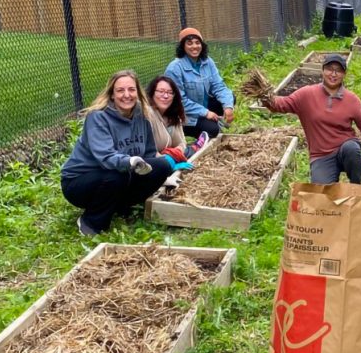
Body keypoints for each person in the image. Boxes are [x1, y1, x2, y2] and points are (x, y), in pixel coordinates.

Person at [60, 70, 192, 236]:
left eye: (131, 89)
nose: (126, 95)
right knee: (117, 174)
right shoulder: (98, 117)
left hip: (121, 173)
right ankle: (91, 222)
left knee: (163, 165)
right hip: (79, 182)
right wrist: (131, 162)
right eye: (120, 90)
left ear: (138, 92)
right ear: (112, 95)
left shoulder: (141, 115)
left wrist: (164, 178)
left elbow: (150, 152)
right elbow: (106, 157)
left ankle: (120, 207)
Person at [259, 54, 361, 183]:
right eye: (329, 69)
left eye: (338, 70)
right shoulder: (306, 95)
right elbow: (280, 104)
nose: (333, 74)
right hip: (321, 155)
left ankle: (355, 187)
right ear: (322, 70)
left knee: (352, 149)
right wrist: (265, 95)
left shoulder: (351, 100)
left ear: (344, 74)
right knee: (321, 193)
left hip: (345, 148)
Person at [165, 27, 235, 140]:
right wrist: (205, 113)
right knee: (213, 130)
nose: (194, 46)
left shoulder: (207, 62)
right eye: (189, 43)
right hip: (184, 116)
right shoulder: (174, 68)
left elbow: (219, 86)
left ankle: (212, 122)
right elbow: (179, 101)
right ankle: (200, 137)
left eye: (197, 43)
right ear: (183, 46)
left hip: (202, 105)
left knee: (231, 97)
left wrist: (228, 106)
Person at [144, 75, 209, 163]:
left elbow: (181, 143)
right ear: (152, 93)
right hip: (154, 161)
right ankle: (195, 148)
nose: (166, 96)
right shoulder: (148, 114)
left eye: (170, 92)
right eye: (161, 91)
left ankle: (192, 149)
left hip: (171, 156)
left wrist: (176, 151)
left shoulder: (174, 116)